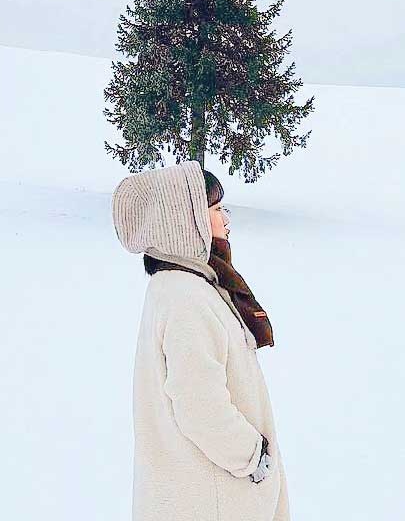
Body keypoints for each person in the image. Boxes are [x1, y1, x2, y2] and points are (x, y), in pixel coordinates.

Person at [112, 159, 290, 521]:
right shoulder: (186, 298)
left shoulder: (183, 288)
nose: (225, 218)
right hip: (211, 502)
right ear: (184, 220)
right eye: (214, 207)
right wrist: (252, 455)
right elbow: (198, 403)